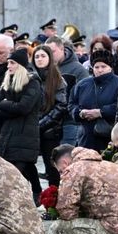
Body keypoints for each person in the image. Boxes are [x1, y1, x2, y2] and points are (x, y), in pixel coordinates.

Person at [0, 48, 43, 203]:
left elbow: (24, 108)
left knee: (19, 169)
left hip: (25, 134)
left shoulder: (32, 82)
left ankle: (26, 197)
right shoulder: (7, 81)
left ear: (20, 65)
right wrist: (10, 106)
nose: (8, 66)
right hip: (8, 134)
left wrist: (6, 105)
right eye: (8, 62)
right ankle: (36, 193)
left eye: (12, 63)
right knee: (24, 167)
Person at [70, 50, 118, 151]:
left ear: (110, 67)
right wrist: (80, 113)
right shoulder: (83, 84)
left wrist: (100, 112)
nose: (100, 70)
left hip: (109, 137)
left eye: (103, 67)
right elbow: (72, 104)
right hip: (86, 138)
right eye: (96, 67)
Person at [43, 36, 88, 146]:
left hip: (70, 122)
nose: (50, 55)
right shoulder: (46, 68)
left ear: (62, 49)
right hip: (50, 122)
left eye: (52, 51)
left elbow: (84, 96)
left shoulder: (78, 69)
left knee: (66, 157)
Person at [33, 45, 67, 187]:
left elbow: (61, 106)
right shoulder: (30, 78)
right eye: (37, 57)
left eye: (43, 56)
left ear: (49, 58)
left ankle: (53, 203)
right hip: (32, 129)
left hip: (50, 131)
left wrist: (42, 124)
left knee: (52, 169)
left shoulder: (57, 80)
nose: (39, 59)